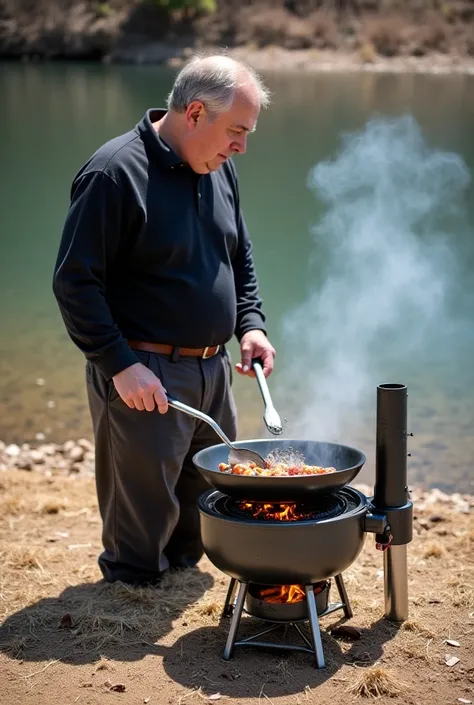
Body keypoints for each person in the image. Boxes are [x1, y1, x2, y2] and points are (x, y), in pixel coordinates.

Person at [52, 54, 276, 586]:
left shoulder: (219, 167)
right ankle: (130, 592)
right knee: (142, 516)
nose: (242, 145)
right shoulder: (114, 173)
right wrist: (119, 365)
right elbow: (75, 282)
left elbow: (238, 254)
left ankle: (178, 573)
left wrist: (251, 324)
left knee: (206, 493)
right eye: (237, 131)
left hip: (212, 370)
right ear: (195, 113)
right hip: (143, 375)